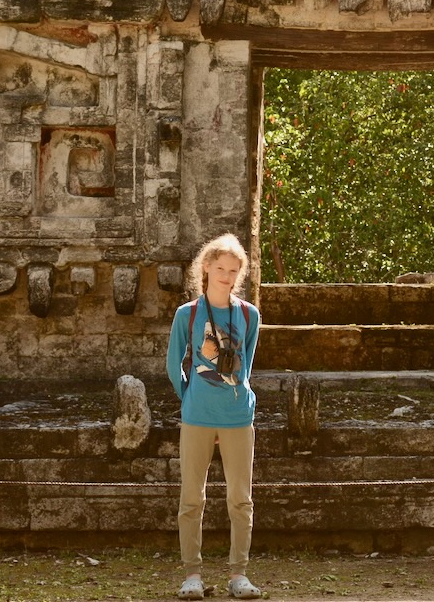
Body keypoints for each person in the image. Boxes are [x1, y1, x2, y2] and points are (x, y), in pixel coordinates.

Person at [166, 233, 263, 600]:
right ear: (206, 267)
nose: (226, 276)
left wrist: (239, 400)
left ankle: (239, 574)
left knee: (241, 500)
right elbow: (173, 364)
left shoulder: (249, 314)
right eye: (220, 268)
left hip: (238, 416)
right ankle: (192, 574)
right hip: (198, 415)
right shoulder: (187, 313)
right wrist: (190, 398)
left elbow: (246, 365)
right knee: (192, 498)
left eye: (233, 271)